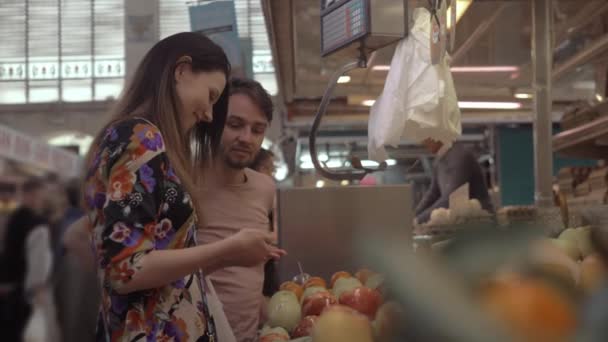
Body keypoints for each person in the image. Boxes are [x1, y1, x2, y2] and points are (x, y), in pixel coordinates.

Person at [82, 32, 284, 342]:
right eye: (211, 95)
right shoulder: (141, 137)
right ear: (182, 71)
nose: (208, 114)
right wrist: (227, 251)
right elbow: (126, 268)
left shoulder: (129, 138)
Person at [197, 78, 277, 342]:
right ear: (212, 120)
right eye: (235, 125)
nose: (246, 138)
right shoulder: (182, 182)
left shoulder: (265, 189)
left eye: (257, 130)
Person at [0, 177, 58, 342]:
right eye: (41, 196)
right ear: (33, 195)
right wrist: (37, 292)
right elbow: (39, 263)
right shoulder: (38, 224)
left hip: (6, 286)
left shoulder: (13, 218)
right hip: (20, 292)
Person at [415, 138, 494, 224]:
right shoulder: (439, 161)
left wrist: (418, 220)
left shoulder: (460, 156)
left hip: (479, 226)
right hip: (460, 225)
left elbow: (452, 198)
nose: (422, 142)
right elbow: (433, 195)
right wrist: (412, 216)